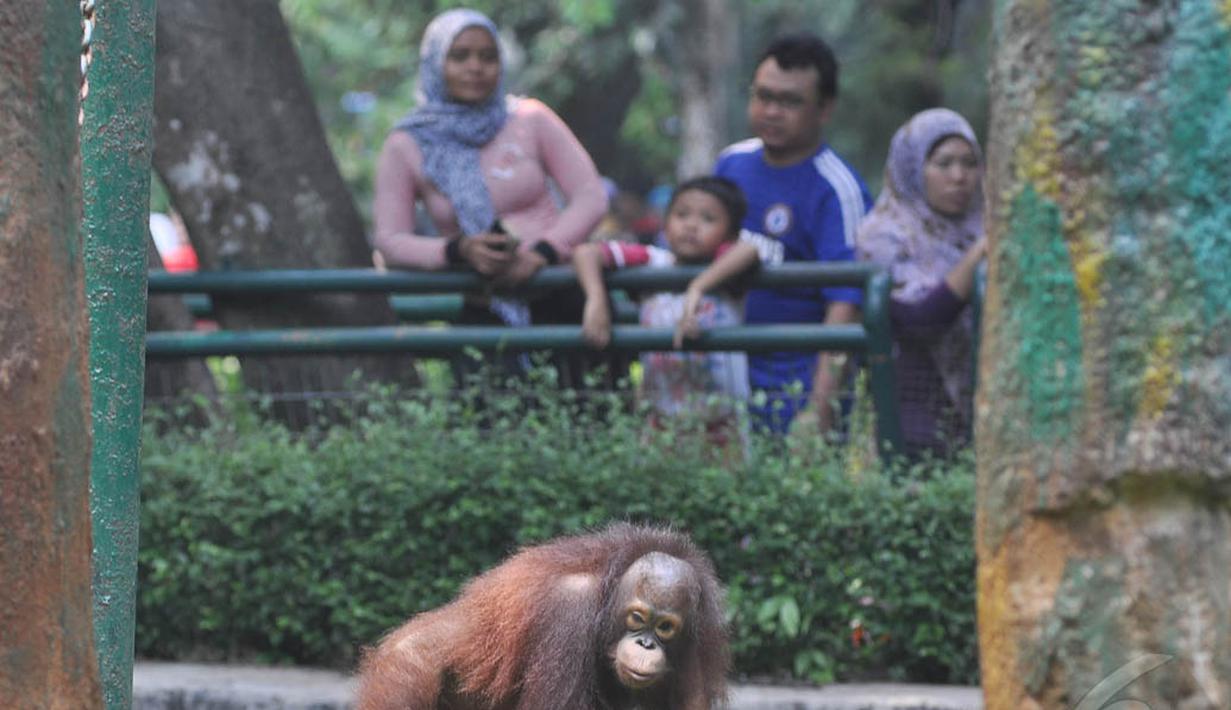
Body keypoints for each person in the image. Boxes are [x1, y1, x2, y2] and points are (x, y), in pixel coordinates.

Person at [371, 8, 607, 336]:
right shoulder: (406, 144)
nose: (475, 67)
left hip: (559, 293)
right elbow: (390, 240)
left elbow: (591, 197)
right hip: (482, 308)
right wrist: (458, 251)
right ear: (435, 63)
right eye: (460, 56)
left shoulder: (531, 119)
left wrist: (542, 253)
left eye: (488, 56)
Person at [708, 32, 872, 435]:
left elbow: (846, 305)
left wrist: (820, 408)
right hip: (722, 376)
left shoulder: (839, 189)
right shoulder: (731, 164)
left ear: (825, 108)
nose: (772, 111)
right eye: (763, 96)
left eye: (790, 101)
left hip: (794, 387)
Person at [573, 177, 758, 446]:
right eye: (681, 214)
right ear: (666, 222)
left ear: (729, 233)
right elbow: (585, 253)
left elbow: (750, 250)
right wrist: (596, 300)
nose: (691, 225)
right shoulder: (651, 261)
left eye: (708, 219)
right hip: (661, 421)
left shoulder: (728, 274)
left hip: (720, 425)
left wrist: (697, 287)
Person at [856, 108, 986, 459]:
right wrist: (977, 257)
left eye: (970, 163)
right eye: (943, 164)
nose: (959, 177)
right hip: (915, 422)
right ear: (913, 167)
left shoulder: (986, 225)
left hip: (987, 416)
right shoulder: (883, 235)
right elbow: (920, 318)